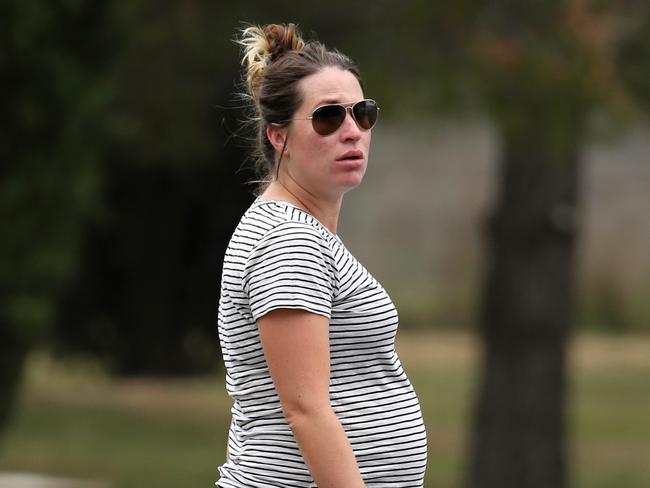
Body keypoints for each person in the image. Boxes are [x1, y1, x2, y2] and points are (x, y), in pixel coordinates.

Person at [216, 23, 427, 487]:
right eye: (328, 118)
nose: (351, 132)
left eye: (363, 114)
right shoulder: (286, 241)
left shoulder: (300, 232)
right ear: (279, 137)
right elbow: (305, 409)